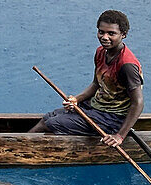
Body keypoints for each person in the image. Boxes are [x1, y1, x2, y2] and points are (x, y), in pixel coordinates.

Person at [30, 10, 144, 147]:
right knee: (48, 117)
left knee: (52, 124)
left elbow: (138, 103)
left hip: (113, 119)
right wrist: (76, 99)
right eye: (101, 32)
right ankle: (22, 143)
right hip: (97, 107)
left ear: (123, 35)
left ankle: (21, 149)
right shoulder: (101, 52)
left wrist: (119, 136)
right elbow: (96, 84)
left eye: (111, 33)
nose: (105, 37)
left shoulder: (127, 65)